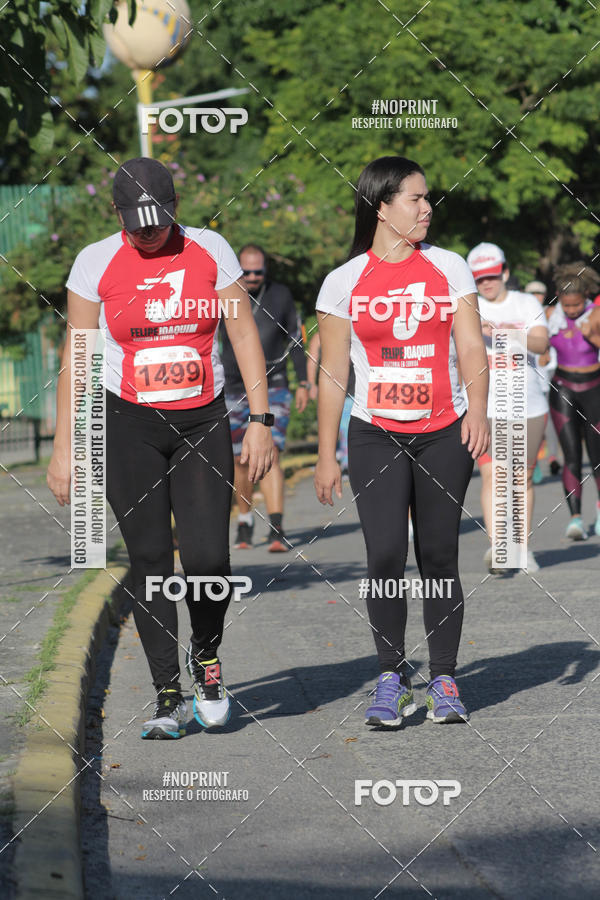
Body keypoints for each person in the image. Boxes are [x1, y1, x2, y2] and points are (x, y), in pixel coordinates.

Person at [47, 158, 274, 740]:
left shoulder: (210, 249)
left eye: (160, 220)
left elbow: (243, 332)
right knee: (149, 560)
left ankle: (206, 656)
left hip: (201, 421)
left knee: (206, 561)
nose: (150, 232)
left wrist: (260, 420)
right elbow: (78, 358)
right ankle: (167, 694)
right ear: (116, 213)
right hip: (128, 425)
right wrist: (64, 447)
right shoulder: (93, 263)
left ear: (176, 206)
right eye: (138, 223)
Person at [315, 156, 489, 727]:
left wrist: (478, 410)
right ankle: (390, 677)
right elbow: (334, 370)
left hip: (444, 430)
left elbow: (468, 346)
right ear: (381, 206)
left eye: (427, 197)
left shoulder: (450, 267)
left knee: (439, 554)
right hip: (375, 436)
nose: (426, 207)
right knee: (385, 554)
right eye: (415, 198)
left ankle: (444, 679)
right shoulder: (344, 281)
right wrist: (325, 453)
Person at [467, 243, 550, 574]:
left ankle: (522, 548)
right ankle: (499, 547)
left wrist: (503, 332)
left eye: (491, 276)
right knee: (493, 474)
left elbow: (542, 344)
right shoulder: (468, 307)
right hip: (486, 404)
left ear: (504, 272)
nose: (486, 284)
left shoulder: (526, 302)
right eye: (479, 279)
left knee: (521, 477)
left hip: (527, 403)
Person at [220, 244, 309, 552]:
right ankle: (244, 520)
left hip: (275, 384)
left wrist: (304, 382)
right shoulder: (225, 293)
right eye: (247, 272)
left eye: (259, 272)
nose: (254, 277)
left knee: (269, 451)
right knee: (240, 459)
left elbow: (296, 339)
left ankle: (277, 526)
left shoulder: (280, 295)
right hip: (233, 386)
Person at [548, 262, 600, 539]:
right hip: (563, 387)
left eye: (576, 305)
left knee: (597, 455)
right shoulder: (549, 316)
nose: (570, 311)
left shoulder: (596, 314)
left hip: (594, 387)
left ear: (586, 296)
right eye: (566, 306)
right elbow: (540, 350)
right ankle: (576, 519)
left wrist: (592, 335)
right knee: (571, 455)